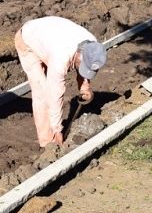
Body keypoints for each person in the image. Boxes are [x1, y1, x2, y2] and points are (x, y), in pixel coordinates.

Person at [14, 16, 107, 147]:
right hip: (28, 40)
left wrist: (84, 87)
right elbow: (55, 95)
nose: (83, 69)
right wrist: (57, 130)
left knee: (52, 83)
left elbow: (87, 65)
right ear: (78, 54)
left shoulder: (93, 46)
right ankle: (48, 143)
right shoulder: (61, 58)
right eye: (82, 65)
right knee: (42, 93)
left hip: (49, 38)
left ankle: (52, 135)